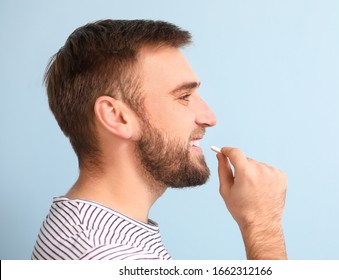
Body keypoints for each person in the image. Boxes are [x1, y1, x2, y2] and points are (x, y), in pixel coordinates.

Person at [32, 19, 287, 260]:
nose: (209, 117)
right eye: (184, 96)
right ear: (117, 117)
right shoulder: (106, 255)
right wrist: (262, 224)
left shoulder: (100, 232)